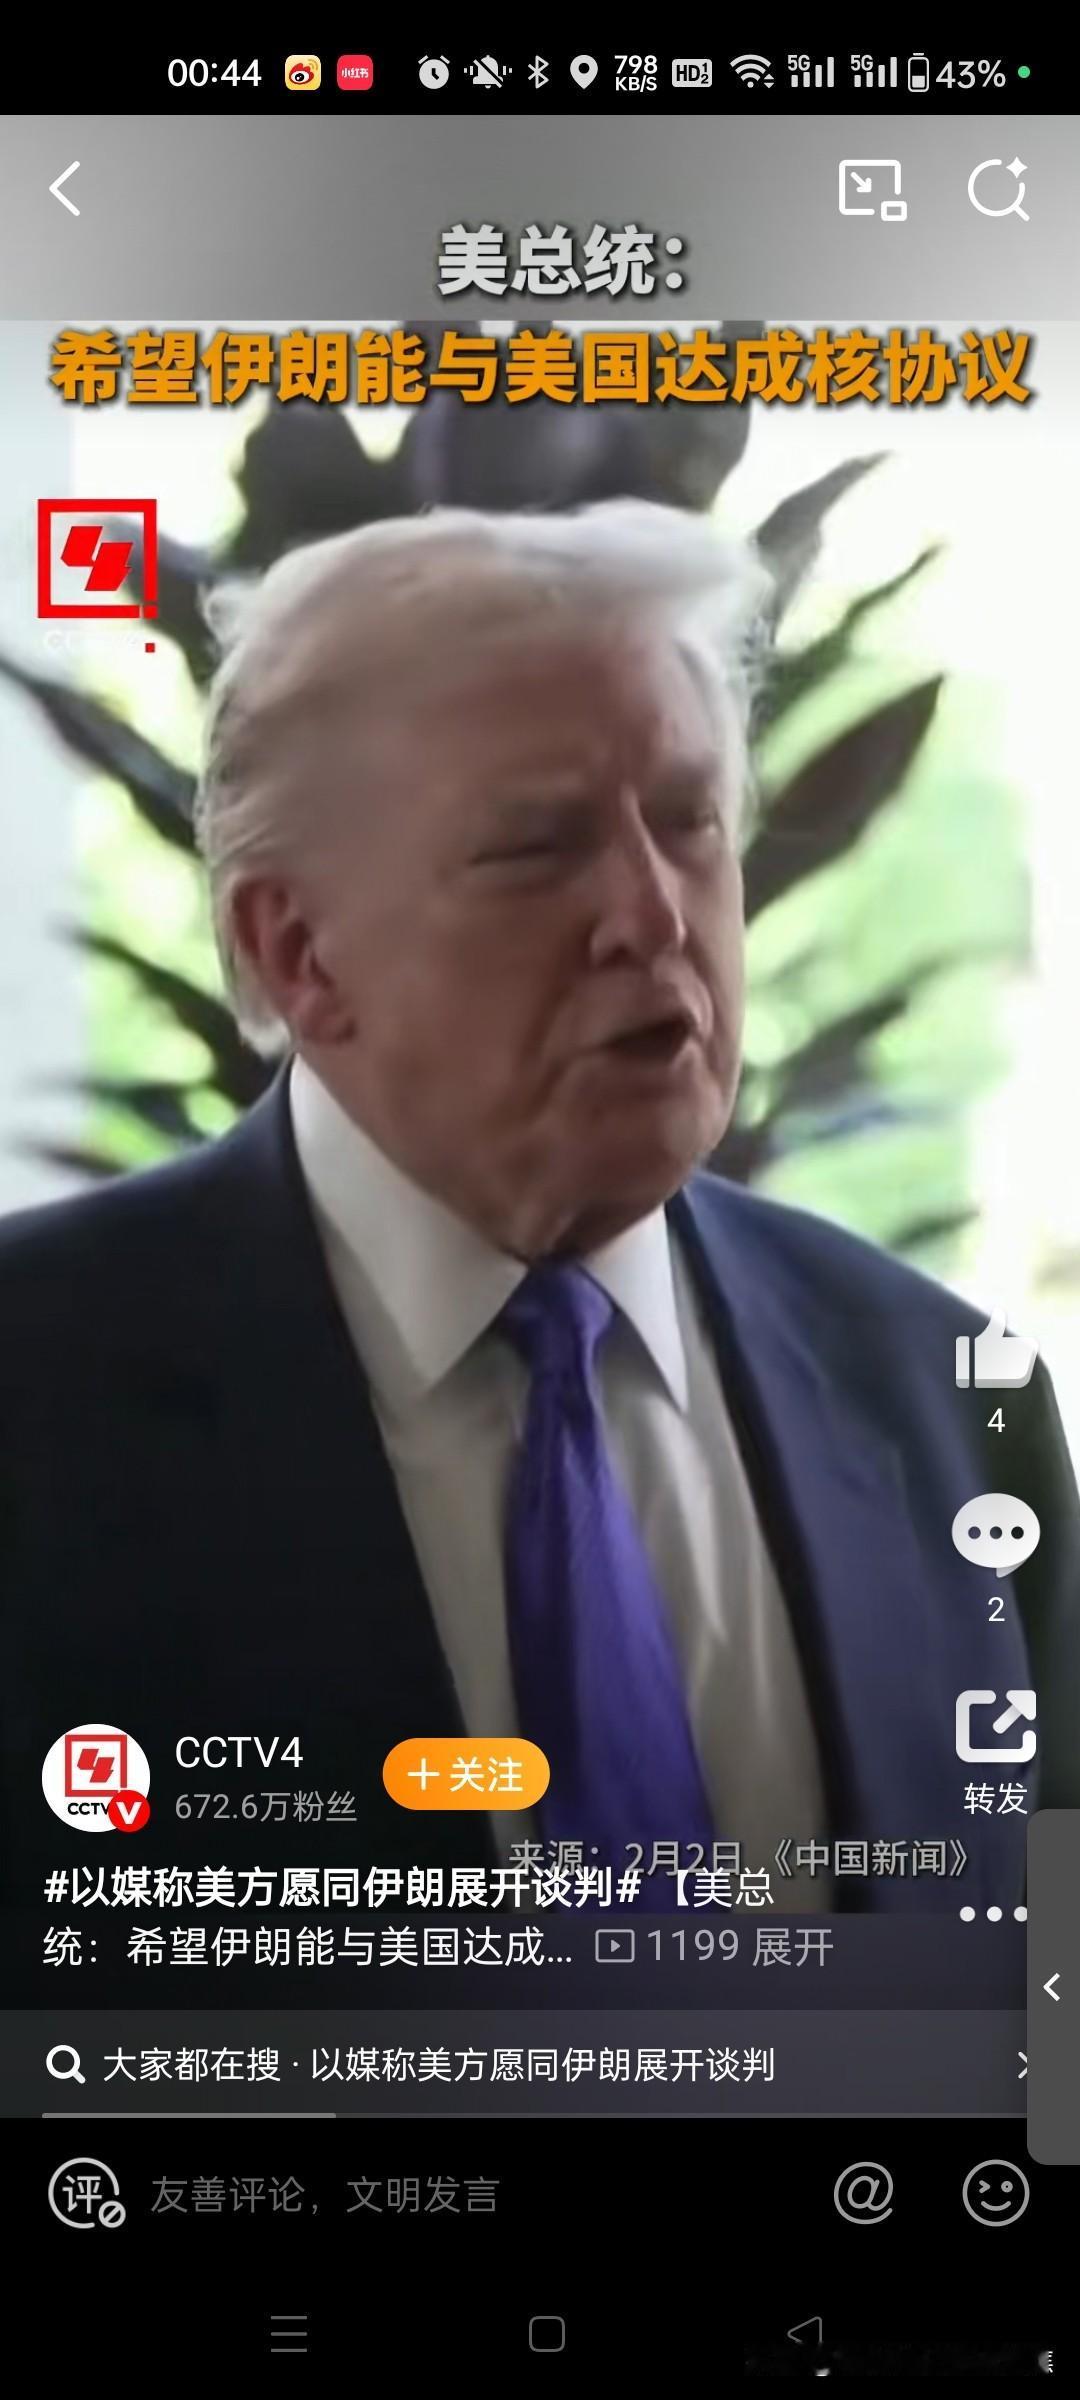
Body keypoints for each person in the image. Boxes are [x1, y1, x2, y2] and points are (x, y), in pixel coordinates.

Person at [1, 502, 1077, 1914]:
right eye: (533, 849)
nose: (653, 914)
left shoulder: (947, 1398)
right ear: (299, 949)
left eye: (689, 821)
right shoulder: (38, 1388)